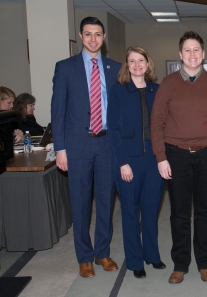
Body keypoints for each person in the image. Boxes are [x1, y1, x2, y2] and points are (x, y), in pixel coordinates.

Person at [51, 16, 121, 278]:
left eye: (98, 34)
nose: (93, 39)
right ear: (81, 36)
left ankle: (102, 252)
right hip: (78, 146)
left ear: (104, 38)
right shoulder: (65, 68)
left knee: (105, 202)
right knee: (80, 203)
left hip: (106, 145)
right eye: (88, 34)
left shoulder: (115, 68)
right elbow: (57, 111)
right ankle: (84, 257)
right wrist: (60, 149)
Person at [151, 31, 207, 284]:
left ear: (203, 54)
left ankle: (205, 263)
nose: (192, 54)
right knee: (180, 213)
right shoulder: (168, 84)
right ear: (180, 54)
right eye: (187, 50)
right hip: (175, 156)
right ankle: (180, 264)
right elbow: (156, 122)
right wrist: (161, 157)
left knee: (204, 212)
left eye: (197, 50)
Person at [108, 47, 165, 279]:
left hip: (154, 160)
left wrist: (164, 157)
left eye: (141, 60)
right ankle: (135, 261)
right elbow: (113, 128)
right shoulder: (118, 91)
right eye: (132, 61)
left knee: (151, 210)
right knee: (130, 212)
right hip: (128, 160)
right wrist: (122, 162)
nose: (137, 64)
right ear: (126, 65)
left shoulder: (157, 90)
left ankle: (152, 255)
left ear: (148, 63)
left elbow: (164, 125)